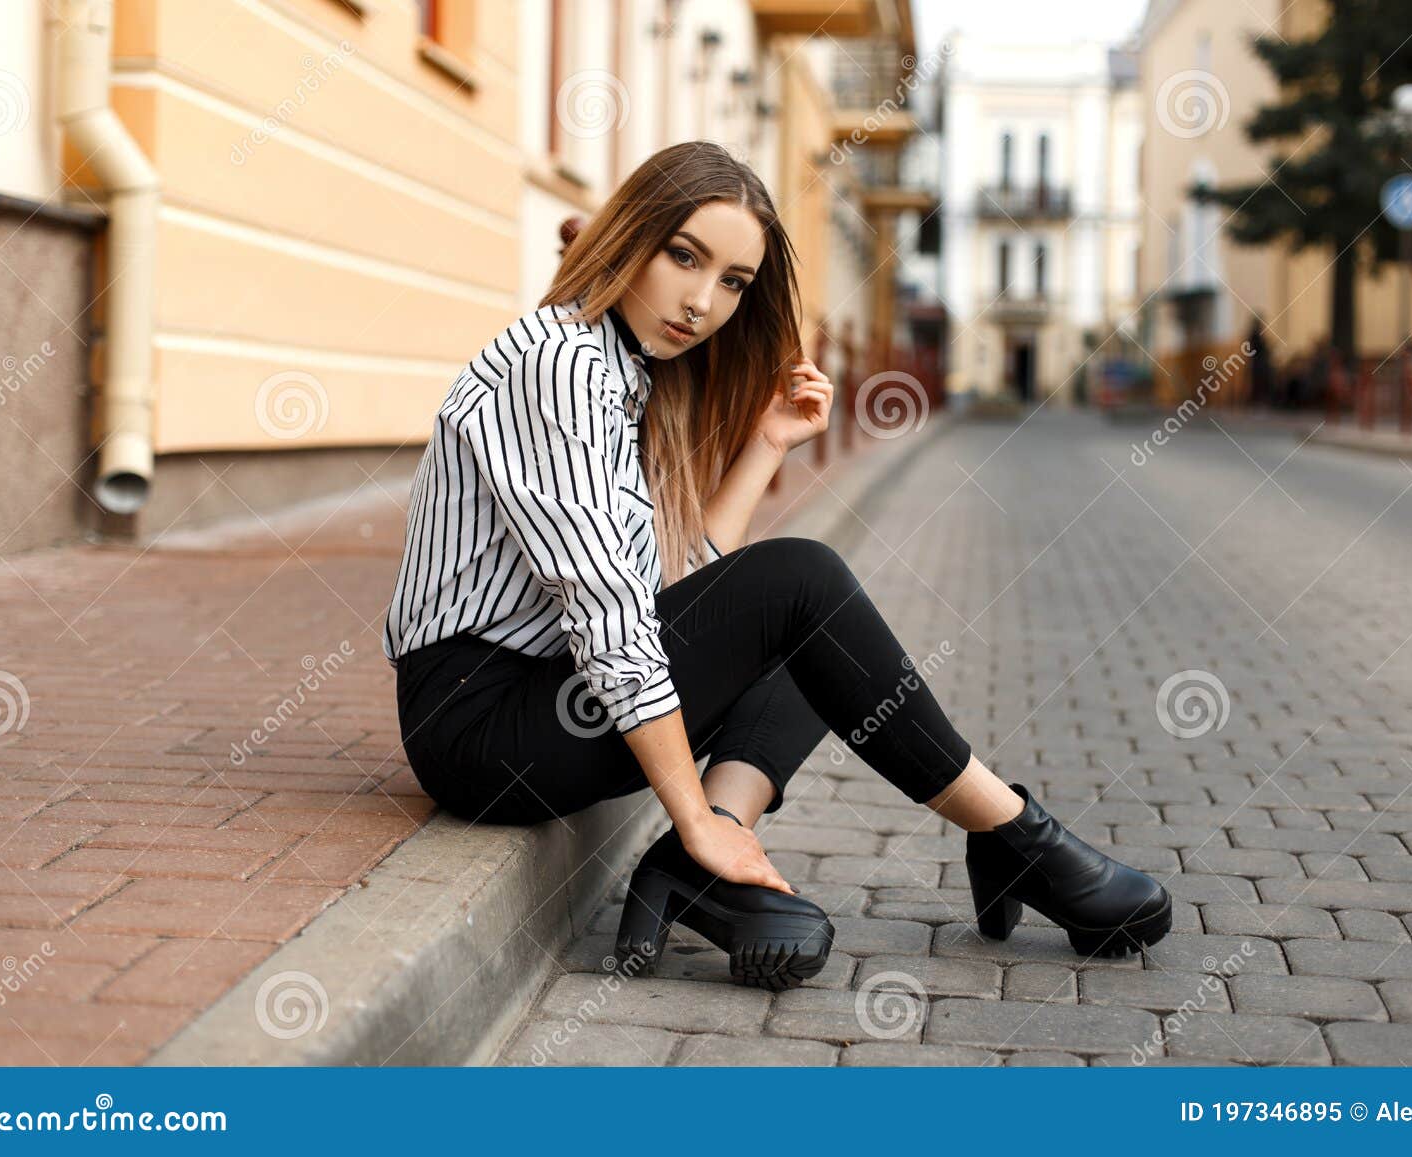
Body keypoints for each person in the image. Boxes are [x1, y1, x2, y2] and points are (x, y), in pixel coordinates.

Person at [384, 141, 1170, 991]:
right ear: (630, 237)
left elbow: (669, 596)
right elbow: (613, 619)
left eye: (732, 281)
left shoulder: (620, 369)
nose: (701, 301)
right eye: (684, 256)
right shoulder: (559, 367)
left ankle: (697, 877)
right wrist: (692, 815)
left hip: (544, 699)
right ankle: (1015, 835)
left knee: (808, 636)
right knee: (805, 580)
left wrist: (764, 445)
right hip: (483, 728)